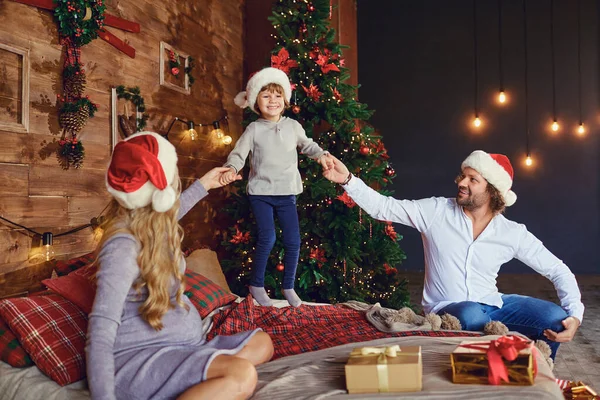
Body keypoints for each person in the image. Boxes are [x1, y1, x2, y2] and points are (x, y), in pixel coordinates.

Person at [322, 150, 584, 359]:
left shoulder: (511, 232)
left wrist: (575, 315)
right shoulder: (437, 211)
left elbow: (557, 269)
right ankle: (481, 368)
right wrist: (347, 180)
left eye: (472, 180)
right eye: (462, 176)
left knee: (555, 318)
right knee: (471, 316)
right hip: (449, 309)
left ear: (492, 191)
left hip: (492, 304)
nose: (461, 183)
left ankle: (537, 373)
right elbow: (383, 207)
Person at [86, 131, 274, 400]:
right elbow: (101, 330)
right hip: (143, 358)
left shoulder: (155, 224)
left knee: (262, 343)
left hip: (185, 346)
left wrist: (206, 184)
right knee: (243, 374)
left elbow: (177, 208)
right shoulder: (122, 246)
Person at [221, 67, 334, 307]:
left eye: (277, 95)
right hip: (261, 193)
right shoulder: (253, 129)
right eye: (265, 96)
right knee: (268, 237)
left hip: (287, 193)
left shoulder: (293, 126)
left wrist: (322, 154)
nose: (272, 100)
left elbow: (307, 145)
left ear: (285, 99)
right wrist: (232, 168)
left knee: (293, 240)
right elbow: (239, 154)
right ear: (255, 102)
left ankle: (289, 286)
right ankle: (257, 284)